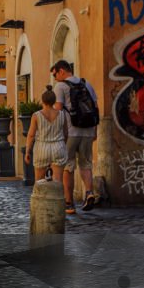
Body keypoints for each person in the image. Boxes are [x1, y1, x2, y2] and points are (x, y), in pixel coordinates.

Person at [51, 60, 100, 214]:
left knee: (68, 166)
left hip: (70, 131)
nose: (55, 78)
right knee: (86, 164)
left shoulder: (60, 86)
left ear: (61, 71)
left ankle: (69, 203)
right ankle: (89, 192)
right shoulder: (87, 84)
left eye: (54, 74)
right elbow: (96, 108)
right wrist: (95, 131)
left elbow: (58, 110)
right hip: (88, 130)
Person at [25, 86, 69, 187]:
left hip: (41, 148)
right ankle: (57, 202)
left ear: (42, 100)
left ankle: (40, 202)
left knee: (39, 181)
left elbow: (31, 135)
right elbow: (66, 133)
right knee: (58, 182)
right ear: (54, 101)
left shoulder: (36, 115)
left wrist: (28, 151)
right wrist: (62, 144)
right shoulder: (62, 114)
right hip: (58, 147)